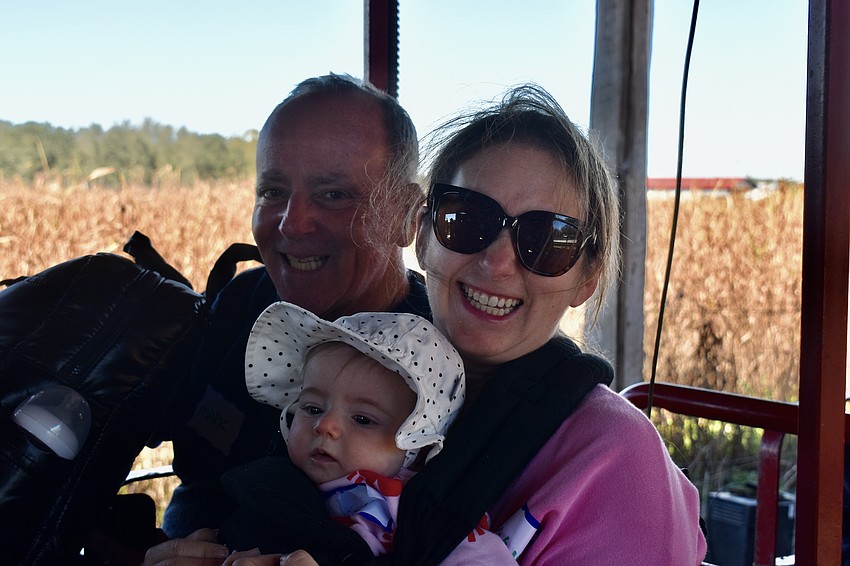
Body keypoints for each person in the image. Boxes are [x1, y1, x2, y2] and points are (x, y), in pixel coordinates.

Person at [147, 84, 708, 565]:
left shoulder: (615, 460)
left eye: (546, 239)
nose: (497, 261)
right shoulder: (364, 387)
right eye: (467, 219)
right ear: (423, 234)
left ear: (586, 279)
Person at [159, 73, 430, 539]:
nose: (292, 223)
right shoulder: (239, 306)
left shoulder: (439, 365)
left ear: (405, 215)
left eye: (334, 194)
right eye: (273, 192)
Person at [242, 301, 465, 556]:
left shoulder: (422, 522)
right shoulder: (270, 478)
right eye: (313, 408)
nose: (324, 426)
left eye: (362, 419)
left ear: (419, 447)